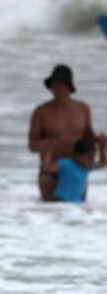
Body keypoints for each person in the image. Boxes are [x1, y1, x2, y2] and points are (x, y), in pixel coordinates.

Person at [28, 64, 106, 201]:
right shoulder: (41, 111)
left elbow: (88, 137)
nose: (57, 87)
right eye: (54, 83)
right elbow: (32, 145)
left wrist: (100, 140)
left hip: (77, 169)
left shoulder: (83, 109)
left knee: (76, 211)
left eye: (61, 83)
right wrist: (45, 145)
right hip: (51, 169)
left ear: (69, 86)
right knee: (51, 212)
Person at [40, 137, 105, 202]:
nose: (92, 160)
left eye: (93, 157)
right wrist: (48, 151)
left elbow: (103, 163)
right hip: (61, 202)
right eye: (89, 157)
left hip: (75, 205)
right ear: (77, 156)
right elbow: (47, 168)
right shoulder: (66, 164)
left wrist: (102, 148)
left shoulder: (87, 167)